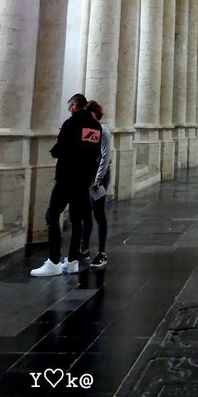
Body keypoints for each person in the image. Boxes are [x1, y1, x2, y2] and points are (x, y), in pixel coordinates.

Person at [30, 93, 102, 277]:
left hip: (67, 178)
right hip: (83, 180)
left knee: (52, 215)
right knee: (77, 219)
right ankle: (71, 261)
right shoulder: (96, 126)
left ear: (76, 105)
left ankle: (53, 261)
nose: (69, 110)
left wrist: (56, 150)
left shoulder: (71, 123)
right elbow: (95, 153)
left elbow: (60, 149)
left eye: (70, 107)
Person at [79, 99, 112, 270]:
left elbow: (105, 156)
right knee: (85, 212)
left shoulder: (103, 131)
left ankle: (102, 253)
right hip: (87, 174)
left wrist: (98, 179)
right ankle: (83, 248)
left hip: (100, 176)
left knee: (99, 213)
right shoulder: (86, 130)